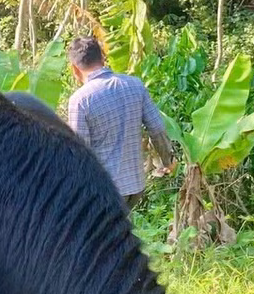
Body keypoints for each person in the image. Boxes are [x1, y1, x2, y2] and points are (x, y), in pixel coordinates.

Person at [65, 36, 176, 210]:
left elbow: (81, 153)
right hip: (135, 185)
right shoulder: (135, 85)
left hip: (104, 191)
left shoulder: (80, 100)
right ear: (103, 58)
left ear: (74, 69)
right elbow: (157, 128)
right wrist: (168, 161)